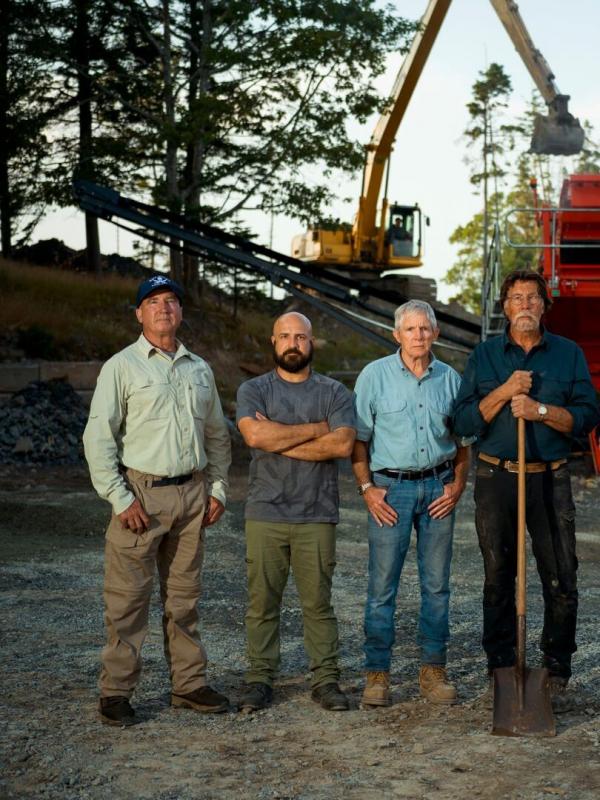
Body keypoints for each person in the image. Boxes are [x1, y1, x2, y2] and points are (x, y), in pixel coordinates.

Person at [83, 274, 231, 726]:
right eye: (153, 301)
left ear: (181, 313)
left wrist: (218, 488)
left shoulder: (199, 369)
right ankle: (116, 692)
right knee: (128, 600)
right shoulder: (121, 367)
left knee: (185, 599)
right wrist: (119, 497)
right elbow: (98, 438)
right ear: (139, 314)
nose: (164, 308)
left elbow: (217, 435)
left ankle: (188, 685)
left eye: (171, 301)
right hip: (140, 497)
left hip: (192, 496)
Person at [452, 269, 599, 693]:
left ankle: (555, 669)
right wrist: (504, 392)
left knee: (561, 575)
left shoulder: (567, 355)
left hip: (550, 479)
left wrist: (539, 411)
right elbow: (462, 421)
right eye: (516, 298)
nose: (525, 306)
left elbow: (589, 415)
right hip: (497, 476)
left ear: (544, 306)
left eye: (533, 298)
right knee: (498, 575)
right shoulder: (485, 357)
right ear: (505, 307)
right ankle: (500, 667)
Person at [352, 299, 472, 707]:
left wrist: (457, 486)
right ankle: (376, 675)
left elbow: (462, 444)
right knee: (381, 587)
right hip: (391, 490)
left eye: (425, 328)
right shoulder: (374, 376)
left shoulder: (451, 380)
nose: (419, 335)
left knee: (437, 587)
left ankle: (433, 671)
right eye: (411, 329)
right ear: (396, 334)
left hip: (438, 489)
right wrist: (367, 488)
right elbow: (359, 440)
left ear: (435, 333)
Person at [235, 312, 356, 712]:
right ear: (273, 342)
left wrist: (278, 439)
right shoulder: (254, 389)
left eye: (301, 337)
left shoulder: (335, 392)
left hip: (316, 514)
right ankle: (259, 679)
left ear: (311, 342)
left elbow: (341, 446)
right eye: (285, 336)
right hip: (265, 512)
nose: (293, 343)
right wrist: (317, 428)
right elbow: (254, 435)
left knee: (318, 605)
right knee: (262, 604)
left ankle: (325, 680)